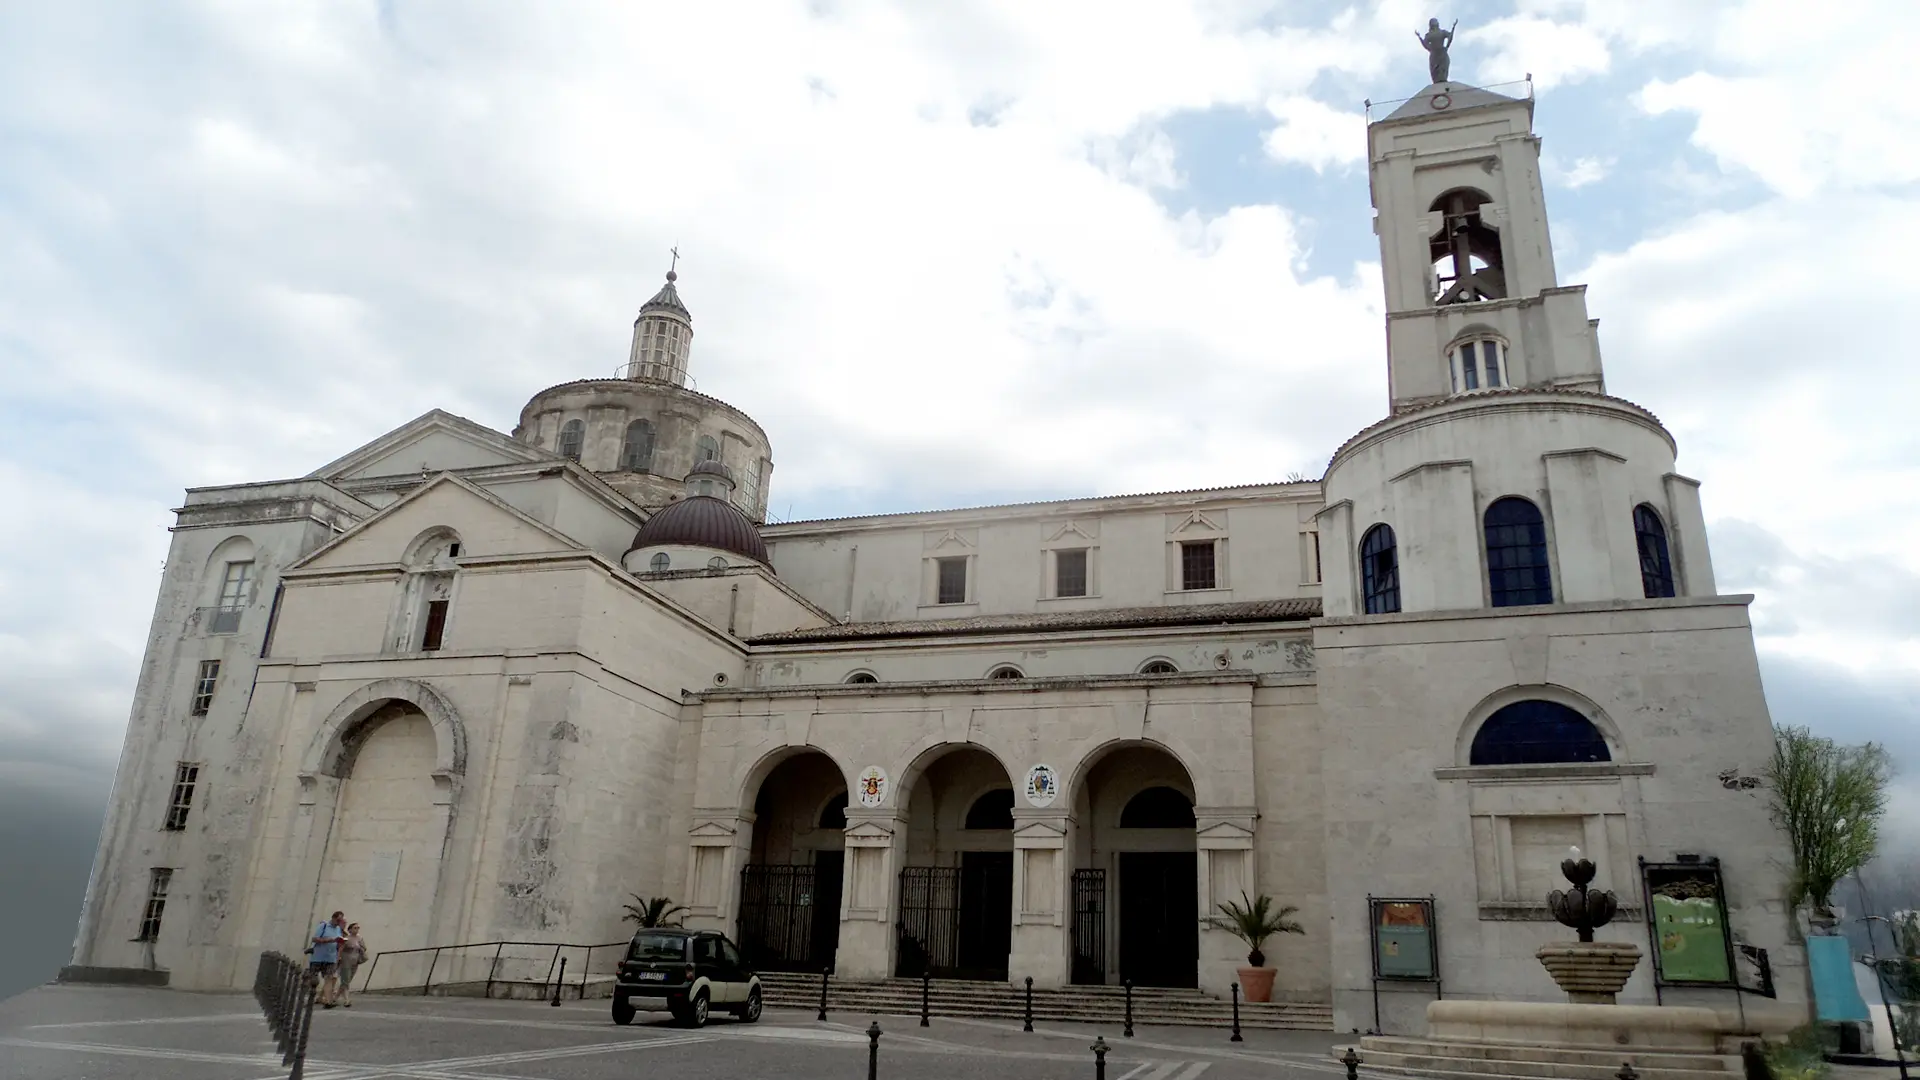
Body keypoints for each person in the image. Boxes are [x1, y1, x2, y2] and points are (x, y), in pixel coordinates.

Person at [310, 910, 346, 1007]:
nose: (339, 922)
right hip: (318, 957)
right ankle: (311, 997)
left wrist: (340, 943)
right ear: (333, 918)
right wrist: (329, 940)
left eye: (341, 920)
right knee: (313, 979)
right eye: (338, 920)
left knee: (329, 978)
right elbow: (314, 939)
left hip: (330, 958)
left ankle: (328, 1001)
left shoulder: (338, 929)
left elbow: (337, 942)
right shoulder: (324, 926)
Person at [336, 923, 367, 1007]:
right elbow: (340, 949)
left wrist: (361, 948)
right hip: (346, 960)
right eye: (355, 928)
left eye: (358, 928)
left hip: (355, 961)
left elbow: (364, 948)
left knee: (347, 980)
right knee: (345, 980)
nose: (356, 929)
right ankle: (347, 1000)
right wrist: (338, 958)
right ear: (350, 930)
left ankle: (335, 997)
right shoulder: (346, 938)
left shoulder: (360, 938)